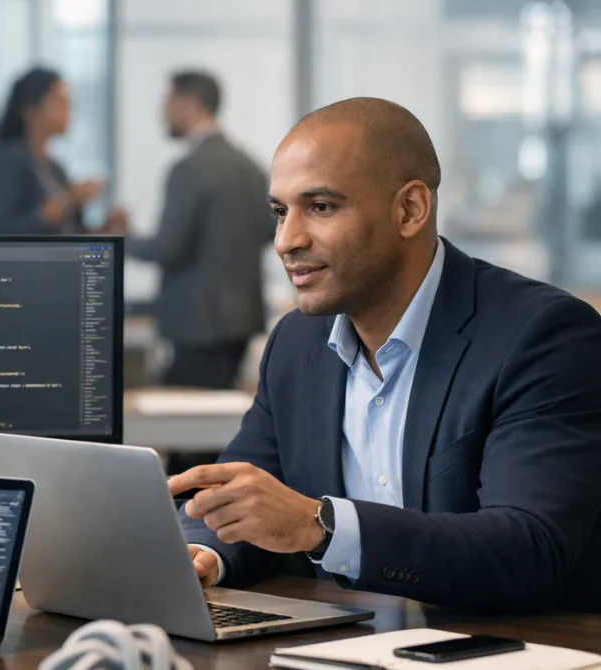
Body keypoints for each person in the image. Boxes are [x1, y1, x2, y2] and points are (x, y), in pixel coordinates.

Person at [168, 97, 601, 613]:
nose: (287, 240)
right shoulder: (296, 344)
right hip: (342, 645)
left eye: (321, 207)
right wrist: (202, 554)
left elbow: (528, 547)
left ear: (410, 210)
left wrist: (320, 526)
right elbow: (235, 496)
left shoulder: (542, 336)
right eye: (280, 212)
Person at [106, 71, 273, 389]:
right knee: (217, 419)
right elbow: (267, 230)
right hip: (242, 320)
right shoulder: (250, 166)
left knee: (187, 425)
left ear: (189, 103)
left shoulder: (189, 169)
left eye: (168, 101)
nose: (162, 112)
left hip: (196, 323)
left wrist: (117, 240)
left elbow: (169, 247)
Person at [0, 67, 121, 235]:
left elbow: (74, 237)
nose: (69, 112)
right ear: (31, 111)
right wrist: (68, 200)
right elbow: (3, 229)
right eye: (60, 103)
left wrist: (106, 228)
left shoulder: (56, 168)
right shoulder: (8, 162)